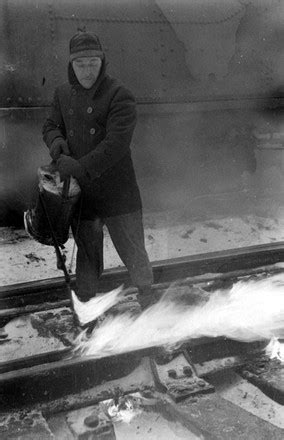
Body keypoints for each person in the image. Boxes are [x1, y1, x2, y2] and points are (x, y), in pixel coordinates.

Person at [42, 30, 153, 313]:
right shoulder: (63, 94)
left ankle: (148, 299)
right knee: (88, 255)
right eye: (81, 64)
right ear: (71, 65)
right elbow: (50, 126)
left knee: (132, 249)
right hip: (85, 194)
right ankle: (88, 308)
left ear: (103, 62)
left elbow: (116, 144)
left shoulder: (119, 94)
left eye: (93, 62)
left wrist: (78, 166)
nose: (87, 70)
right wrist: (58, 146)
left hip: (118, 192)